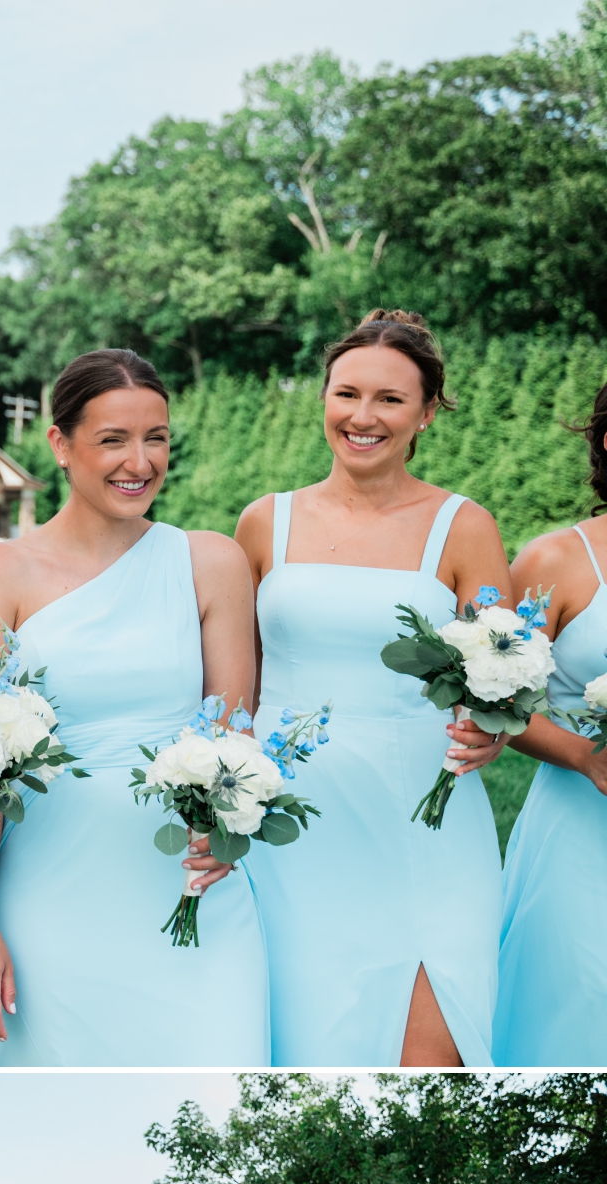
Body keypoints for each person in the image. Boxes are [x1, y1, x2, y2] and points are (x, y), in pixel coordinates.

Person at [0, 347, 269, 1067]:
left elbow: (235, 738)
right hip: (48, 897)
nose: (140, 461)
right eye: (113, 440)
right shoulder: (1, 574)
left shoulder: (210, 562)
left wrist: (223, 826)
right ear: (60, 444)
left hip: (192, 892)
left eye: (155, 438)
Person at [235, 309, 513, 1067]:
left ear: (426, 412)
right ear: (323, 398)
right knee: (305, 1036)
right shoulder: (265, 523)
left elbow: (503, 671)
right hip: (292, 819)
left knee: (433, 1050)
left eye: (390, 399)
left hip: (423, 815)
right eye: (346, 393)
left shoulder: (464, 526)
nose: (363, 417)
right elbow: (233, 679)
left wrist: (492, 727)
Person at [494, 381, 607, 1066]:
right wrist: (587, 758)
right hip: (578, 827)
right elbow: (496, 702)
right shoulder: (555, 561)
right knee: (580, 995)